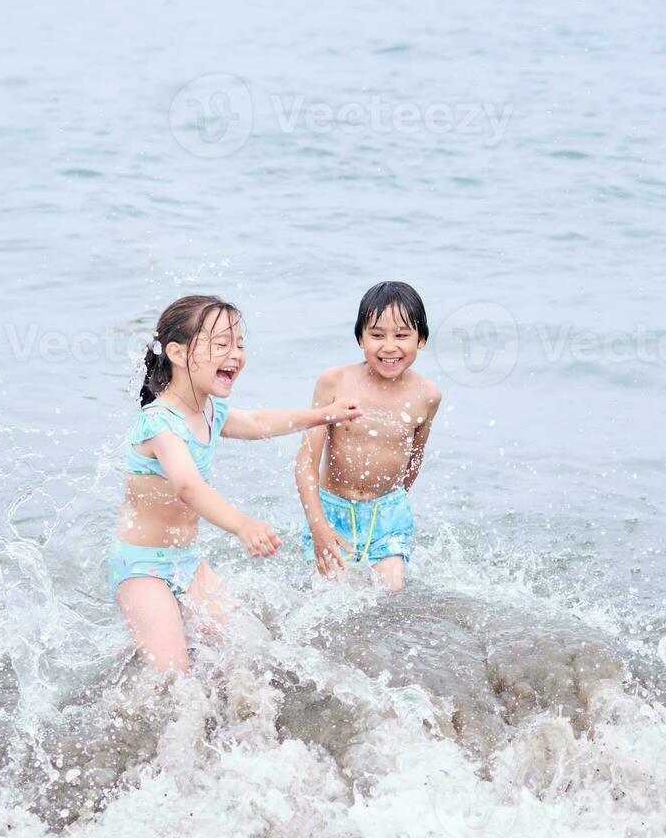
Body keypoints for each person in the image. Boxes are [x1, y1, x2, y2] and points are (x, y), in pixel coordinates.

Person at [112, 294, 363, 671]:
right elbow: (187, 487)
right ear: (178, 354)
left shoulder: (210, 410)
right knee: (172, 677)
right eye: (221, 344)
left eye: (240, 344)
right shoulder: (160, 422)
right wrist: (242, 525)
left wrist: (323, 415)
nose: (236, 354)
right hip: (142, 566)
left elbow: (259, 423)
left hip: (186, 561)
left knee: (253, 651)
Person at [295, 282, 442, 590]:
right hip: (333, 510)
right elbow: (306, 462)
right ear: (360, 338)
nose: (389, 346)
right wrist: (318, 524)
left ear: (422, 339)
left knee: (390, 597)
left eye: (402, 335)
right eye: (377, 335)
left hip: (387, 515)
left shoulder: (427, 395)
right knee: (329, 598)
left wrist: (396, 505)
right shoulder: (334, 382)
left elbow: (415, 457)